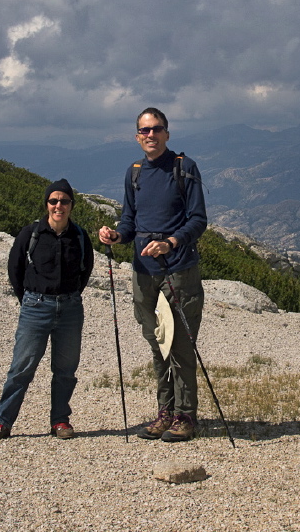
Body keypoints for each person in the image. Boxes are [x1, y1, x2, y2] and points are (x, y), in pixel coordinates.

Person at [99, 107, 207, 442]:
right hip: (144, 273)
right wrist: (117, 236)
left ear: (167, 134)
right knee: (158, 343)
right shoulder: (134, 174)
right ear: (137, 136)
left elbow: (198, 219)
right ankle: (165, 412)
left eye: (156, 129)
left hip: (178, 271)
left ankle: (186, 415)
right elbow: (129, 221)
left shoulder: (183, 168)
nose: (150, 135)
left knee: (181, 345)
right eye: (144, 131)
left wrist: (171, 242)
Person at [0, 179, 94, 441]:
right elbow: (15, 269)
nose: (59, 205)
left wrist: (71, 296)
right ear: (47, 204)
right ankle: (2, 421)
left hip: (70, 308)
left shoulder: (79, 236)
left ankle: (60, 421)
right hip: (35, 307)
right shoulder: (30, 234)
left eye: (64, 201)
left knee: (66, 370)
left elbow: (85, 270)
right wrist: (29, 300)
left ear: (71, 205)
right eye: (54, 201)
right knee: (22, 367)